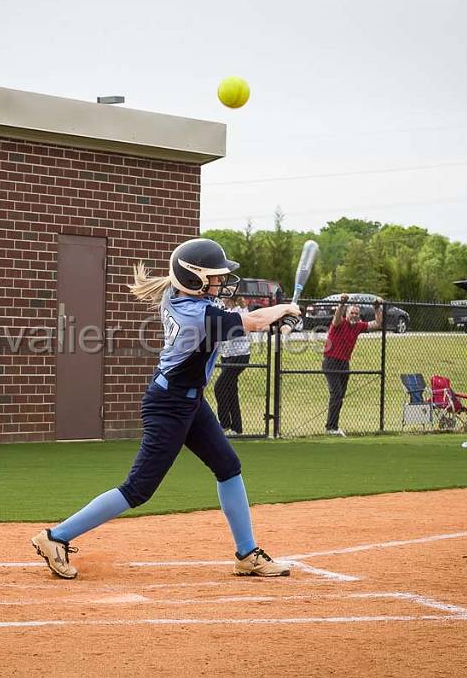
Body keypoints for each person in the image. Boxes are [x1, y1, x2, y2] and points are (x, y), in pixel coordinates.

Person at [31, 238, 302, 579]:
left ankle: (247, 554)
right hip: (170, 405)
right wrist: (285, 309)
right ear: (193, 279)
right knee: (138, 489)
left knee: (228, 465)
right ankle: (56, 537)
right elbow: (253, 322)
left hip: (189, 401)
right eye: (214, 277)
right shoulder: (199, 315)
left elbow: (241, 322)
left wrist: (277, 316)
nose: (220, 282)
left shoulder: (176, 296)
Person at [321, 294, 384, 436]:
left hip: (344, 363)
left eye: (356, 313)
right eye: (352, 313)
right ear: (347, 314)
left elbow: (377, 323)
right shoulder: (339, 323)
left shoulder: (358, 326)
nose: (354, 315)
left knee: (339, 396)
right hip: (331, 362)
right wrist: (342, 304)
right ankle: (331, 427)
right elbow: (336, 318)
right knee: (336, 394)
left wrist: (377, 308)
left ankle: (333, 426)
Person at [214, 295, 250, 434]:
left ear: (232, 299)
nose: (222, 300)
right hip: (227, 356)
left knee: (219, 387)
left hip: (240, 356)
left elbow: (239, 331)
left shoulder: (241, 311)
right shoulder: (225, 310)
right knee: (230, 390)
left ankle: (224, 424)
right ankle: (237, 428)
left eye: (224, 297)